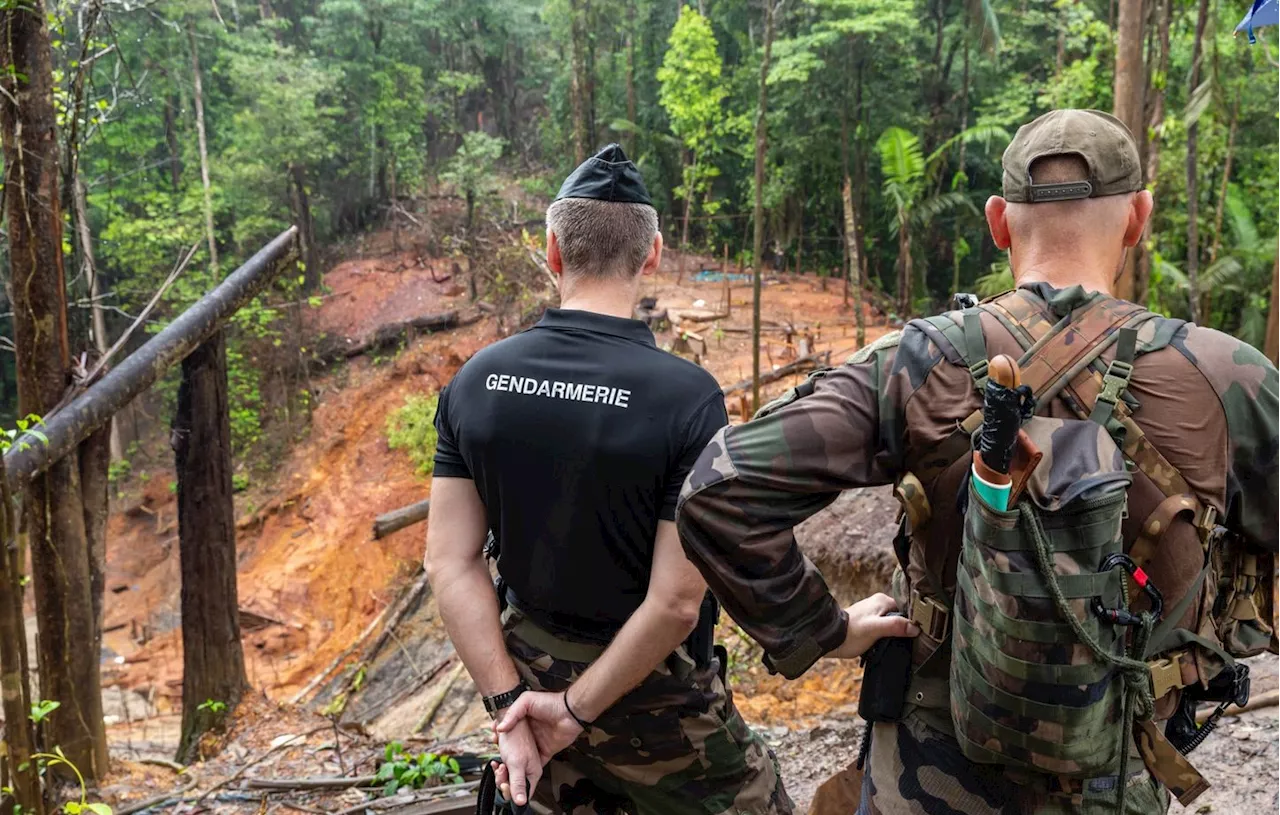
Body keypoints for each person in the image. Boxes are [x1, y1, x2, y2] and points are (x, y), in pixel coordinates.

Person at [676, 109, 1280, 815]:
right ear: (1138, 217)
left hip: (925, 777)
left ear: (998, 222)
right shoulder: (1227, 376)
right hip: (1112, 780)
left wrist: (822, 630)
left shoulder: (914, 361)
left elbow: (718, 486)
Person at [426, 144, 802, 815]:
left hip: (527, 679)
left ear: (553, 250)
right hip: (659, 703)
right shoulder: (688, 398)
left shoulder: (477, 380)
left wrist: (512, 706)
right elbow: (674, 604)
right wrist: (573, 709)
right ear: (652, 252)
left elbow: (450, 561)